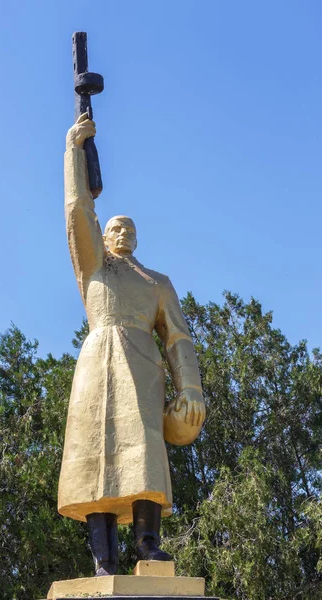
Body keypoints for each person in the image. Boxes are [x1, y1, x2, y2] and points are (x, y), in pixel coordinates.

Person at [58, 113, 206, 576]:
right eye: (113, 227)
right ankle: (105, 559)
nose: (120, 231)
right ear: (103, 237)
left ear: (138, 237)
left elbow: (178, 337)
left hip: (143, 369)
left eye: (128, 228)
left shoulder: (158, 282)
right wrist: (73, 152)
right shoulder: (95, 269)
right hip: (97, 364)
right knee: (94, 459)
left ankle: (148, 544)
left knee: (144, 455)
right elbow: (77, 209)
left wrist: (192, 388)